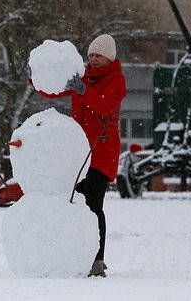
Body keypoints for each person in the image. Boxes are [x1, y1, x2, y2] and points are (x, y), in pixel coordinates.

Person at [31, 34, 127, 277]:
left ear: (109, 57)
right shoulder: (81, 77)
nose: (93, 59)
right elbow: (53, 91)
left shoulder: (117, 81)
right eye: (91, 55)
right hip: (79, 151)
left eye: (98, 55)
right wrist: (35, 78)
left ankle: (97, 260)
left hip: (102, 152)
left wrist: (84, 90)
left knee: (93, 205)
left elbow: (105, 107)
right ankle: (77, 256)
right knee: (76, 207)